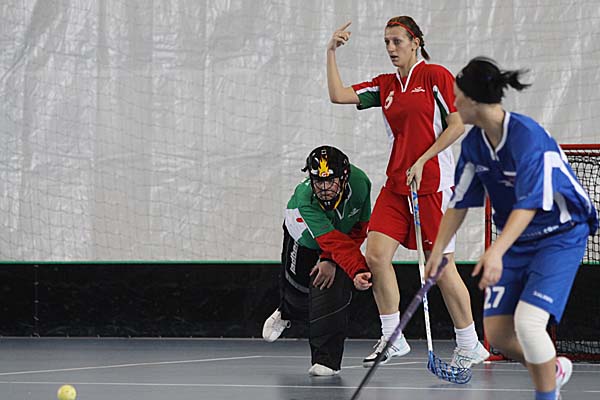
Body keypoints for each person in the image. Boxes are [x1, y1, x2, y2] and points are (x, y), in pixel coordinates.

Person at [425, 57, 599, 400]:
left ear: (473, 100)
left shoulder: (526, 137)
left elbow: (529, 204)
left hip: (559, 235)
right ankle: (552, 369)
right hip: (517, 240)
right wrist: (438, 252)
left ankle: (546, 393)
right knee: (500, 335)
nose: (453, 103)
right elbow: (458, 203)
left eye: (457, 96)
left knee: (529, 324)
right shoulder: (474, 145)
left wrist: (495, 252)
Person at [327, 16, 489, 368]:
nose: (391, 48)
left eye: (397, 41)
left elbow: (457, 125)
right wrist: (331, 51)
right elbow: (338, 95)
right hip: (397, 185)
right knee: (376, 254)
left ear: (415, 42)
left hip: (433, 186)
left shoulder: (435, 76)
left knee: (440, 268)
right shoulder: (385, 85)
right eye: (386, 42)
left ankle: (470, 344)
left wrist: (423, 160)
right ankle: (392, 337)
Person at [262, 145, 373, 376]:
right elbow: (330, 240)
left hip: (339, 238)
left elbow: (359, 229)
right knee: (298, 289)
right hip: (303, 234)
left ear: (344, 178)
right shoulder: (305, 198)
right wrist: (335, 258)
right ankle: (286, 313)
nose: (324, 188)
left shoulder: (361, 183)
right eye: (318, 182)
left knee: (329, 290)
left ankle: (327, 360)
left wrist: (350, 268)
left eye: (330, 181)